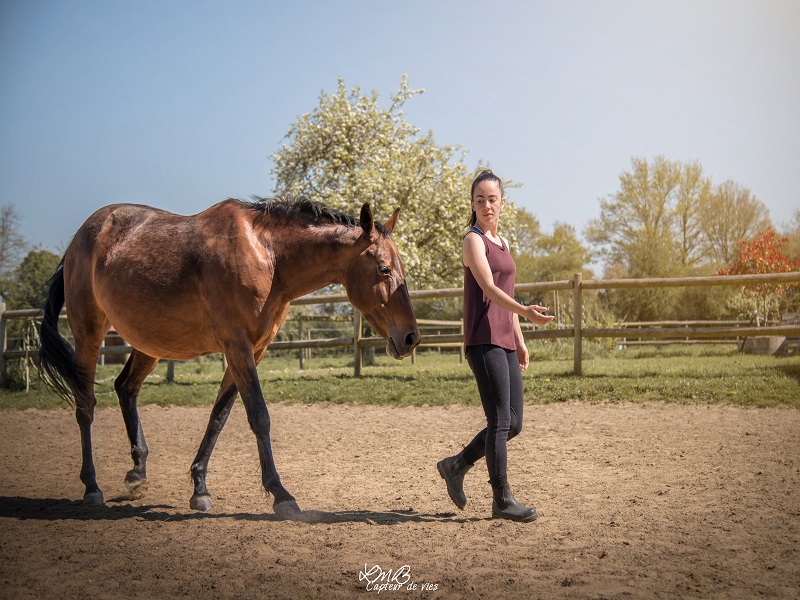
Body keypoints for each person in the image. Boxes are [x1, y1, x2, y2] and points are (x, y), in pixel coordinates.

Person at [437, 169, 554, 522]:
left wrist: (518, 339)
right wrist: (525, 312)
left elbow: (508, 294)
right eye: (479, 200)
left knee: (514, 422)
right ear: (472, 205)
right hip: (483, 337)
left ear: (503, 203)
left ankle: (456, 465)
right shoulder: (473, 241)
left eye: (492, 199)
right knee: (500, 420)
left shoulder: (503, 243)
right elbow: (489, 289)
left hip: (504, 338)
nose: (486, 205)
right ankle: (501, 498)